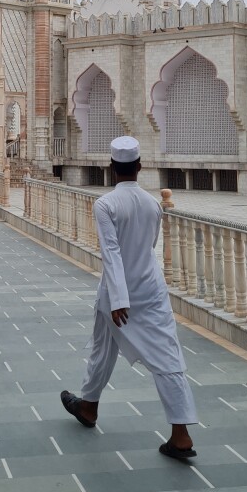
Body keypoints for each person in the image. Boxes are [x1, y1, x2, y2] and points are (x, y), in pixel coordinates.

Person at [60, 136, 198, 460]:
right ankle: (90, 406)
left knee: (141, 355)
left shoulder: (106, 204)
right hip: (150, 290)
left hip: (117, 296)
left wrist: (120, 298)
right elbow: (148, 247)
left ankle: (180, 435)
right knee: (140, 352)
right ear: (139, 166)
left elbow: (111, 252)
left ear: (111, 168)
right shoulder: (152, 204)